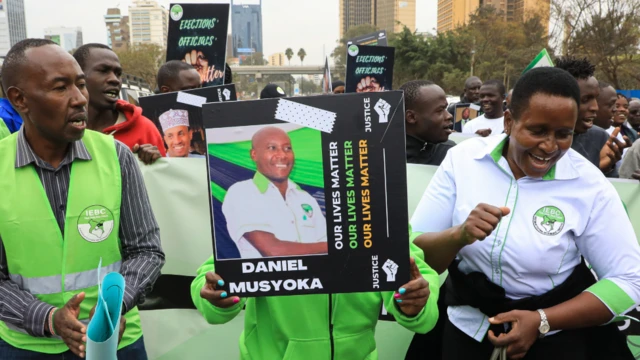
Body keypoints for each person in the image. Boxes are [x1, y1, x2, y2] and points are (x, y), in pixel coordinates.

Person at [412, 67, 640, 359]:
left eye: (563, 134)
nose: (549, 146)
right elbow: (417, 254)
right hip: (465, 334)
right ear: (509, 121)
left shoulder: (590, 185)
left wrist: (543, 320)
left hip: (552, 342)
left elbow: (629, 279)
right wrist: (459, 235)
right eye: (537, 130)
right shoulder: (463, 160)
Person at [0, 39, 165, 358]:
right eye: (60, 88)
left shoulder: (116, 157)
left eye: (80, 85)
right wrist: (48, 320)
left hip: (117, 343)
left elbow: (146, 251)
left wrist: (110, 312)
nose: (79, 100)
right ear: (20, 99)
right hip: (25, 347)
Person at [221, 126, 327, 259]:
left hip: (315, 278)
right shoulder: (242, 193)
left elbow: (325, 243)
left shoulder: (305, 198)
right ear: (254, 155)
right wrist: (333, 246)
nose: (282, 155)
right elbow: (273, 251)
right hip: (267, 280)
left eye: (287, 148)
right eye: (272, 148)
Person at [73, 44, 166, 165]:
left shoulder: (144, 129)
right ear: (77, 76)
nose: (115, 79)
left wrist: (155, 162)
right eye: (103, 71)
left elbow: (163, 179)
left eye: (118, 73)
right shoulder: (61, 129)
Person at [555, 57, 626, 176]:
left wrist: (606, 169)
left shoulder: (600, 138)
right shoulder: (533, 138)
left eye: (595, 99)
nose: (595, 107)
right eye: (585, 99)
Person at [400, 80, 455, 166]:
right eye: (440, 110)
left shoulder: (450, 153)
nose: (449, 116)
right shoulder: (383, 158)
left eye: (446, 108)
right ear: (411, 117)